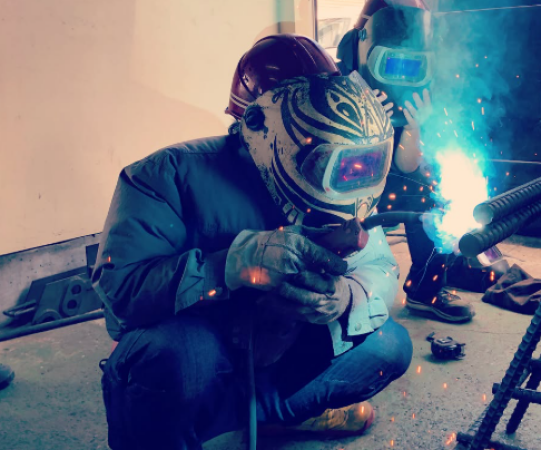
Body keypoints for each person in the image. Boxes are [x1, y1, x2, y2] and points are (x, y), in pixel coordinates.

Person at [93, 35, 413, 450]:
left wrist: (347, 297)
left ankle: (278, 417)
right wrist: (230, 265)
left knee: (389, 345)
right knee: (178, 356)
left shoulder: (338, 170)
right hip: (203, 355)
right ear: (256, 123)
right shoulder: (163, 175)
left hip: (276, 359)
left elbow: (380, 264)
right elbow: (119, 296)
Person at [337, 0, 476, 323]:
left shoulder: (412, 91)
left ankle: (425, 291)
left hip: (388, 185)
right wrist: (366, 123)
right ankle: (336, 289)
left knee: (431, 195)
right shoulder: (340, 84)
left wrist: (413, 126)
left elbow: (409, 167)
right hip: (345, 186)